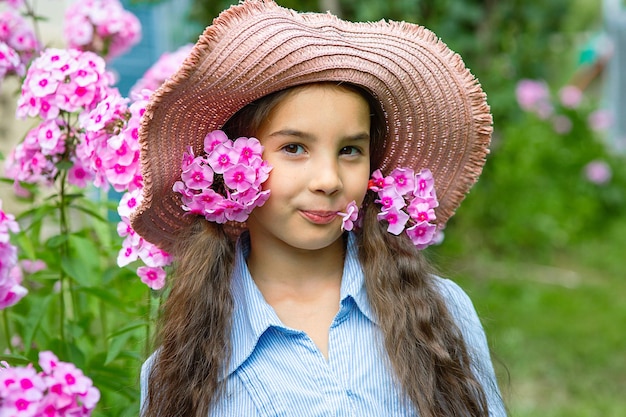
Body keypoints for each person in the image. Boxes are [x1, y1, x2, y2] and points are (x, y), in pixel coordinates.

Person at [132, 1, 506, 416]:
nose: (329, 179)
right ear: (231, 167)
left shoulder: (442, 313)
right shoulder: (181, 368)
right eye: (294, 148)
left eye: (350, 150)